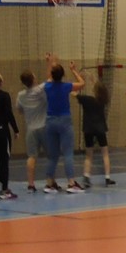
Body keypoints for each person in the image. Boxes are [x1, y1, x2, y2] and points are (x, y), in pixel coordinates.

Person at [41, 53, 84, 193]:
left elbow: (49, 77)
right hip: (64, 121)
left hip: (50, 121)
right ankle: (71, 183)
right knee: (68, 153)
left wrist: (49, 62)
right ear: (63, 75)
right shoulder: (66, 86)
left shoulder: (47, 86)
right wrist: (74, 70)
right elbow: (82, 83)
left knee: (52, 155)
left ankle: (49, 184)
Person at [78, 77, 116, 188]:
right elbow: (100, 88)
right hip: (100, 129)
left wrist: (77, 76)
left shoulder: (87, 99)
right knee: (105, 154)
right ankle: (107, 178)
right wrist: (94, 81)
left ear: (94, 90)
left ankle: (86, 177)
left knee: (89, 155)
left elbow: (74, 92)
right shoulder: (102, 100)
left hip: (89, 129)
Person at [17, 70, 48, 192]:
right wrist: (50, 62)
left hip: (30, 129)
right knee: (51, 156)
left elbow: (19, 110)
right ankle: (51, 183)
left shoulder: (21, 95)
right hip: (44, 127)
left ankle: (31, 184)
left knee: (31, 157)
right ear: (33, 79)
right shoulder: (41, 90)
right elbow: (50, 79)